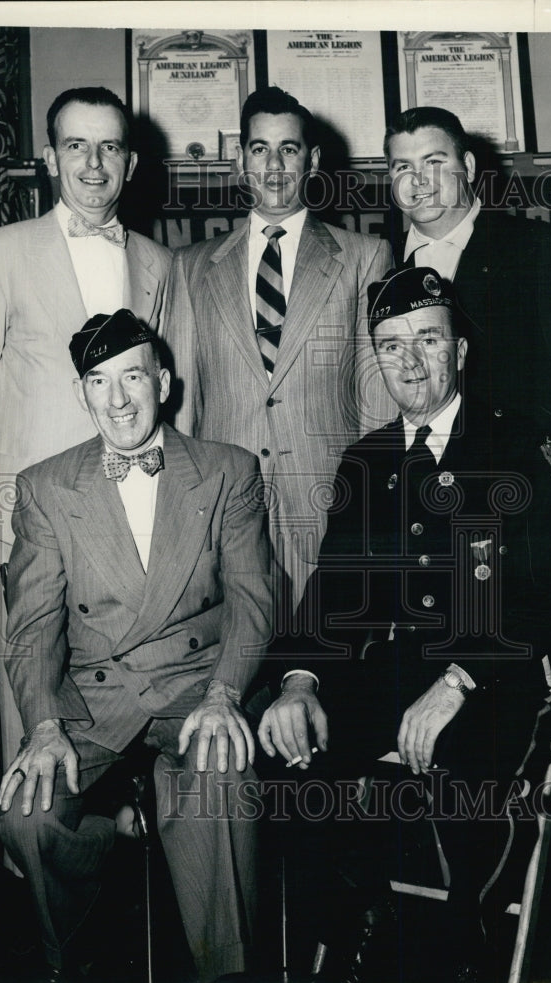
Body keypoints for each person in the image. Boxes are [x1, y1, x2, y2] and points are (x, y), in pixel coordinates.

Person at [258, 266, 551, 983]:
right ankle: (346, 927)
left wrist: (459, 679)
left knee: (473, 767)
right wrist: (300, 680)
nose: (408, 361)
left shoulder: (526, 449)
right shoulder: (367, 459)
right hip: (393, 670)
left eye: (428, 341)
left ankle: (471, 945)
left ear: (461, 351)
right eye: (390, 345)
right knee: (285, 748)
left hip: (497, 673)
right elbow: (331, 592)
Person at [0, 309, 272, 983]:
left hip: (196, 685)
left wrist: (225, 693)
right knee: (26, 814)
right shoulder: (45, 488)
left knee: (223, 781)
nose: (117, 400)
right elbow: (32, 627)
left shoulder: (229, 471)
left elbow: (254, 601)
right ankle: (80, 960)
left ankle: (225, 974)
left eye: (133, 378)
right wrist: (46, 725)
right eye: (98, 382)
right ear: (81, 393)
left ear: (164, 383)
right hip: (95, 698)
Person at [0, 86, 172, 778]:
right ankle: (34, 858)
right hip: (28, 513)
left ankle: (125, 835)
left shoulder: (160, 265)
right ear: (50, 158)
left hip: (134, 508)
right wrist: (27, 488)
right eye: (76, 145)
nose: (93, 163)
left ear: (130, 163)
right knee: (35, 694)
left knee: (130, 685)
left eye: (109, 147)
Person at [162, 86, 393, 613]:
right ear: (239, 158)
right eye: (259, 148)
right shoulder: (192, 266)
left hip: (331, 501)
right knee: (235, 667)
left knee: (327, 666)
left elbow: (376, 393)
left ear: (312, 160)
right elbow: (181, 404)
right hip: (224, 505)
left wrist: (375, 502)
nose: (273, 164)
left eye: (288, 148)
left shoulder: (364, 256)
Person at [384, 106, 551, 511]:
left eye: (434, 162)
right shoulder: (377, 263)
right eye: (403, 167)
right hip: (410, 506)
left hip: (520, 504)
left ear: (468, 166)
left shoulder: (543, 251)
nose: (418, 181)